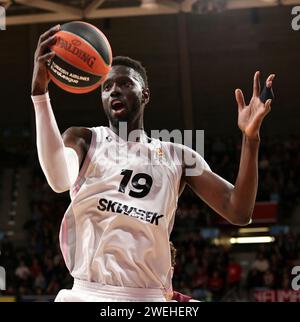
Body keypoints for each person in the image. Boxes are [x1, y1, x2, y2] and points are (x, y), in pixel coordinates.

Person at [31, 24, 275, 302]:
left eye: (124, 84)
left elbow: (239, 211)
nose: (114, 91)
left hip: (150, 299)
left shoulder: (178, 156)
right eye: (107, 86)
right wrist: (40, 94)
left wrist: (250, 138)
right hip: (90, 294)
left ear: (145, 94)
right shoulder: (84, 139)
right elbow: (59, 180)